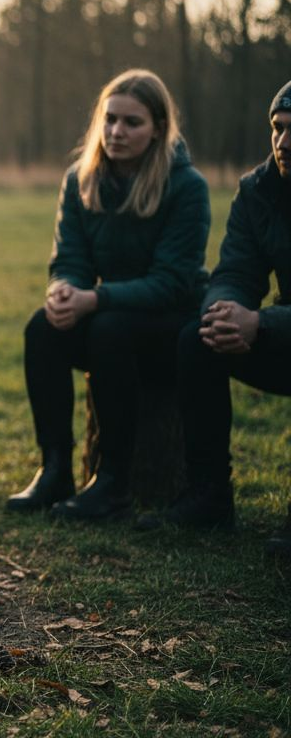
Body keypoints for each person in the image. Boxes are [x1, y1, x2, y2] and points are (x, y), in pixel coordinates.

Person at [8, 69, 210, 521]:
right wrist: (63, 290)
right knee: (42, 328)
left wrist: (94, 300)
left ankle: (113, 482)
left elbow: (173, 282)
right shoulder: (82, 179)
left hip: (171, 325)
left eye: (132, 122)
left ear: (158, 128)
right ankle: (55, 468)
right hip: (108, 316)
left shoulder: (186, 186)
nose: (117, 132)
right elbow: (70, 258)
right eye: (110, 119)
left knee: (109, 328)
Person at [135, 80, 291, 558]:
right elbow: (235, 273)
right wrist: (225, 311)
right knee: (198, 338)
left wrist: (261, 324)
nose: (283, 143)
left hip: (278, 327)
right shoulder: (259, 190)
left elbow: (262, 317)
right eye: (277, 129)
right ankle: (210, 497)